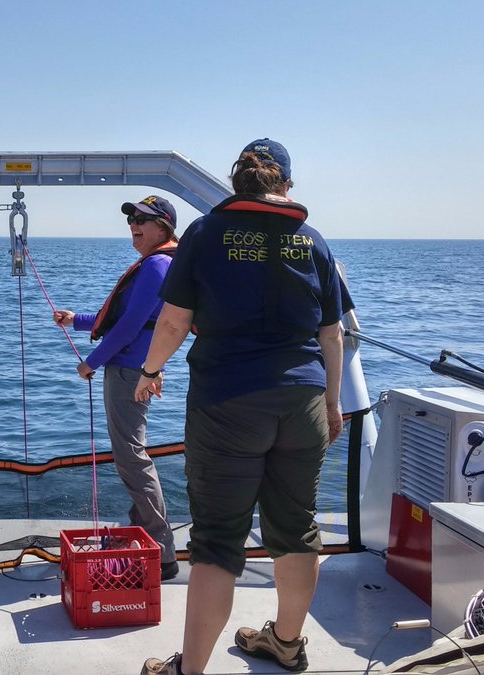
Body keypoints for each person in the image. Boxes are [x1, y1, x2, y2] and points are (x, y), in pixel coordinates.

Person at [137, 140, 350, 675]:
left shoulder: (206, 235)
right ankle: (286, 642)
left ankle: (190, 671)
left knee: (216, 542)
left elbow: (173, 322)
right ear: (287, 186)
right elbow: (332, 334)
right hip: (302, 400)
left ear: (239, 183)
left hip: (227, 402)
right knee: (297, 529)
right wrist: (331, 401)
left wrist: (149, 370)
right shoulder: (313, 242)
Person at [53, 196, 181, 581]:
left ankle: (161, 551)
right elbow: (125, 319)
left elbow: (127, 329)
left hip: (129, 374)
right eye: (131, 220)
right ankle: (141, 537)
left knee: (131, 458)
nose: (134, 225)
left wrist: (89, 363)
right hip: (132, 371)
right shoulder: (158, 264)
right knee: (130, 456)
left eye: (143, 219)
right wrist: (77, 320)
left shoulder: (157, 265)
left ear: (164, 228)